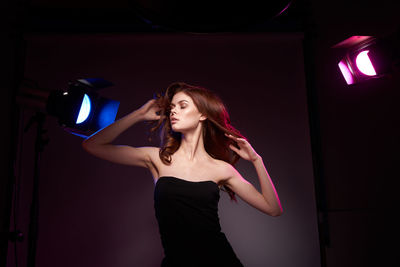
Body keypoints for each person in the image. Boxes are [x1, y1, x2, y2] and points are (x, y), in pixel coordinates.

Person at [82, 82, 283, 267]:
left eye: (182, 106)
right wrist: (138, 114)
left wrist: (257, 160)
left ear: (202, 115)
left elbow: (273, 209)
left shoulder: (221, 169)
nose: (173, 111)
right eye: (172, 108)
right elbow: (92, 145)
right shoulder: (157, 158)